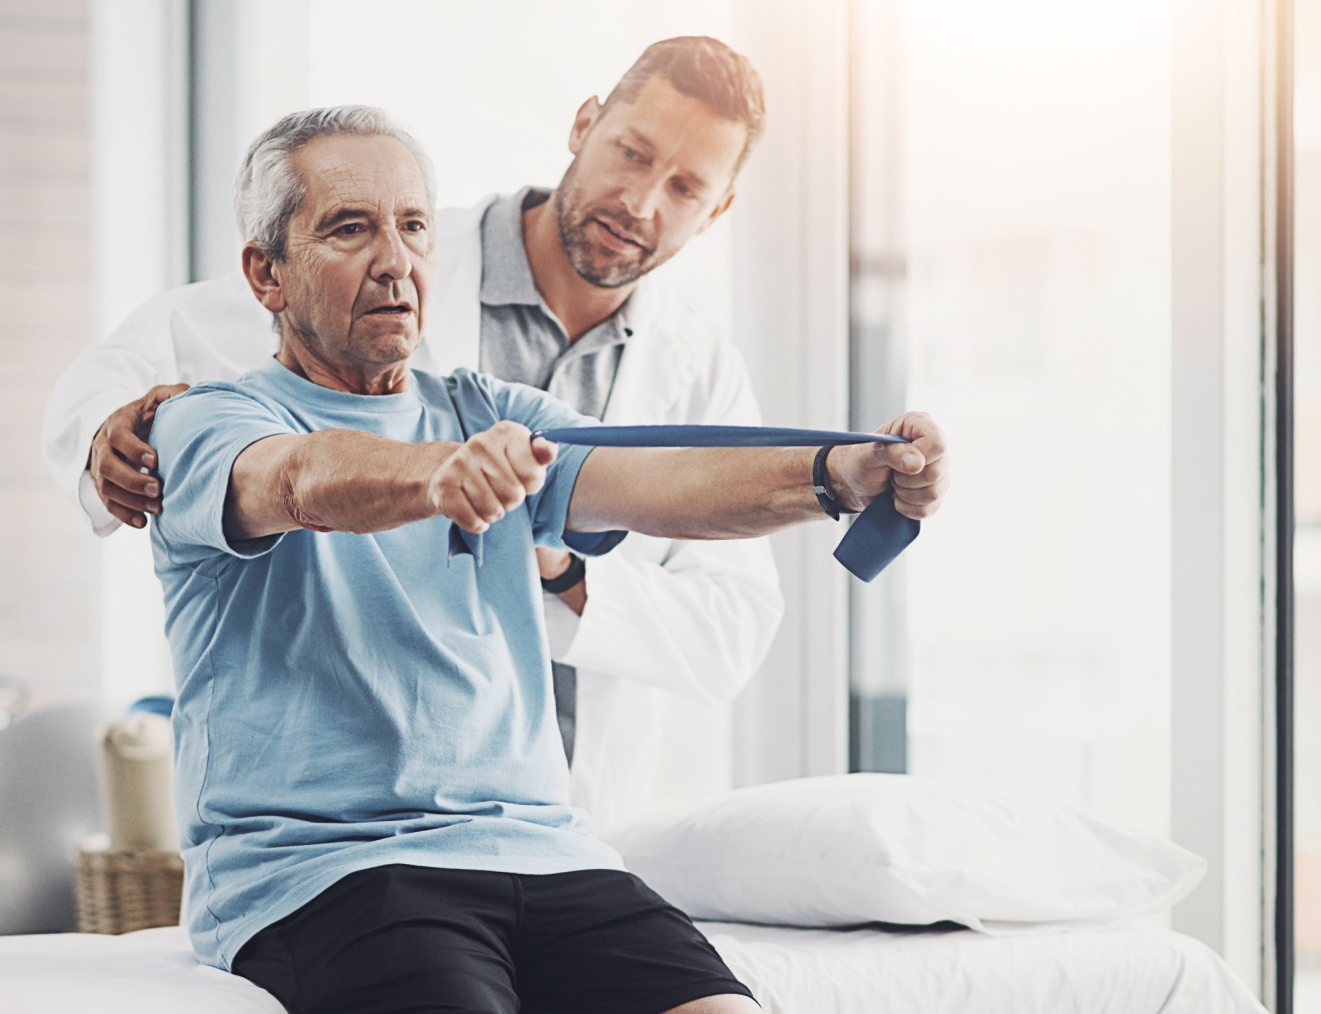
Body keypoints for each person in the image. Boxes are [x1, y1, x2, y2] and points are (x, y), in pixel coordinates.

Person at [148, 104, 947, 1013]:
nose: (395, 261)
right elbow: (295, 481)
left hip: (550, 857)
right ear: (267, 274)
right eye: (349, 229)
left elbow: (664, 481)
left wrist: (837, 475)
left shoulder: (487, 409)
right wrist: (436, 474)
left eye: (413, 226)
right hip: (336, 873)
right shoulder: (205, 421)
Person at [43, 38, 784, 827]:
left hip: (567, 817)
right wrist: (101, 436)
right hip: (360, 810)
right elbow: (149, 346)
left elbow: (731, 633)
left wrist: (556, 569)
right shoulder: (395, 253)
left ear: (720, 211)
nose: (639, 204)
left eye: (684, 187)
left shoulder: (701, 364)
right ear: (585, 124)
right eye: (631, 154)